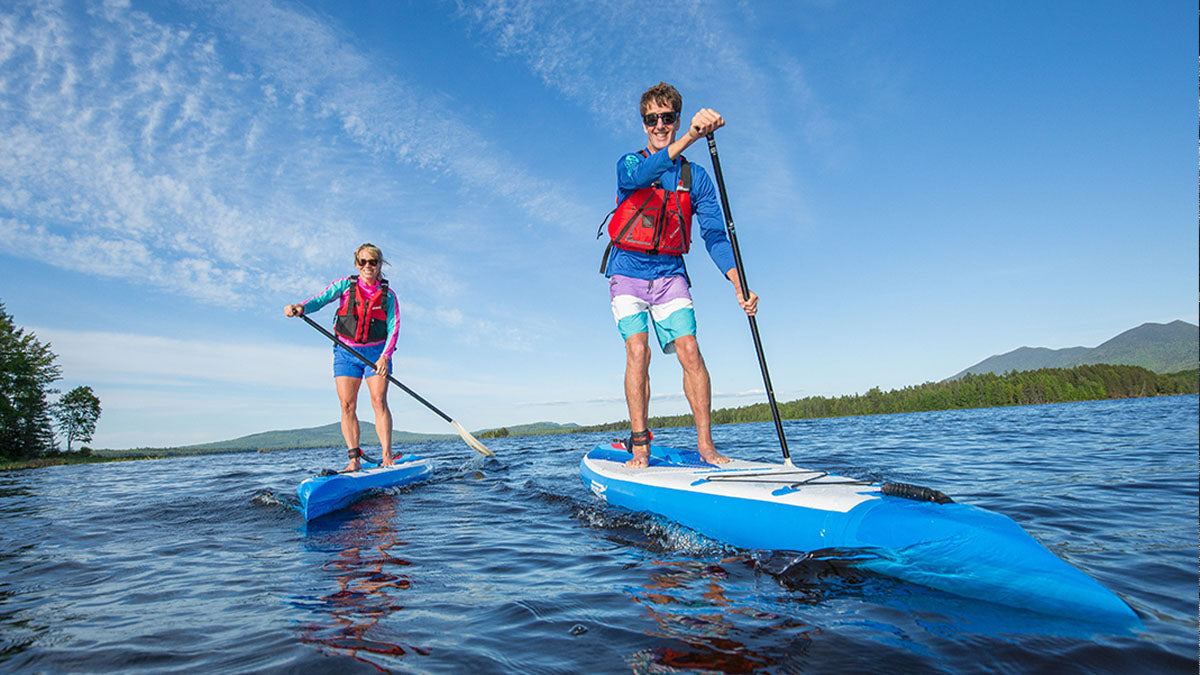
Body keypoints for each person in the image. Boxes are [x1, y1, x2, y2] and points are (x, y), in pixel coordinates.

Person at [602, 81, 759, 468]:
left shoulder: (696, 179)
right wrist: (692, 134)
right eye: (651, 119)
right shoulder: (630, 164)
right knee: (638, 350)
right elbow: (646, 176)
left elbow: (715, 235)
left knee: (690, 349)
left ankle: (706, 447)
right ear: (644, 125)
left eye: (667, 118)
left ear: (673, 119)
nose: (659, 125)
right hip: (628, 272)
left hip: (671, 273)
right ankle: (640, 448)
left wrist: (740, 285)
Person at [285, 243, 401, 472]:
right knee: (347, 405)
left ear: (379, 265)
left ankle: (387, 456)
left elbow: (394, 327)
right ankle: (354, 460)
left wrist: (385, 357)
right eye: (363, 262)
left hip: (376, 354)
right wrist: (301, 307)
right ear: (357, 264)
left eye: (372, 262)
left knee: (379, 401)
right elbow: (320, 300)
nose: (368, 266)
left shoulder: (389, 296)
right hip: (346, 353)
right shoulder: (344, 286)